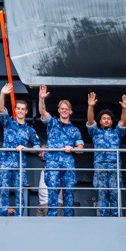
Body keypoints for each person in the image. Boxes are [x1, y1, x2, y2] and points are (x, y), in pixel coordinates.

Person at [38, 85, 84, 217]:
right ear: (59, 110)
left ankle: (68, 218)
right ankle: (52, 218)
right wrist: (41, 99)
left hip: (68, 164)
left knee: (69, 192)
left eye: (67, 109)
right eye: (62, 109)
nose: (64, 111)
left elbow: (81, 149)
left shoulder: (75, 130)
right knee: (52, 190)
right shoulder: (52, 123)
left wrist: (73, 149)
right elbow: (42, 112)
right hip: (52, 162)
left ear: (70, 112)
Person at [0, 83, 39, 213]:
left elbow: (37, 148)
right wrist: (2, 94)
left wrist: (26, 148)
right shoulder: (8, 123)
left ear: (26, 111)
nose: (20, 111)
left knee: (19, 192)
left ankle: (19, 217)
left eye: (23, 109)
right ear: (15, 110)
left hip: (20, 165)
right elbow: (2, 109)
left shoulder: (30, 130)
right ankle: (2, 215)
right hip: (5, 162)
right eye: (18, 108)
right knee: (3, 190)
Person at [86, 92, 126, 217]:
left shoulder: (116, 133)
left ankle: (115, 216)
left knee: (115, 193)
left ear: (111, 122)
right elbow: (90, 121)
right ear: (100, 121)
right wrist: (91, 106)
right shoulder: (96, 132)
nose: (106, 120)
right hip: (100, 166)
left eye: (108, 119)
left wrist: (124, 109)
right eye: (104, 118)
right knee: (102, 193)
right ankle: (104, 217)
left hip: (114, 166)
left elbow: (123, 123)